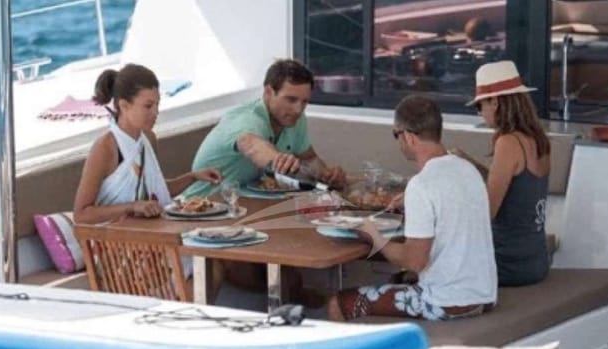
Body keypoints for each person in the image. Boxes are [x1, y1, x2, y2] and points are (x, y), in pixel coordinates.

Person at [327, 95, 497, 321]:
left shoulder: (421, 184)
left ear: (408, 136)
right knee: (396, 282)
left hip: (447, 302)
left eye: (396, 135)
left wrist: (374, 236)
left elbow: (414, 261)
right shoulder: (467, 170)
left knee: (339, 303)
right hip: (484, 296)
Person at [74, 63, 221, 224]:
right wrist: (131, 207)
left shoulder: (148, 138)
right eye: (148, 106)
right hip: (116, 236)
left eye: (157, 105)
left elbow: (155, 189)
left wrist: (193, 177)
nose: (155, 112)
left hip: (150, 230)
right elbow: (82, 214)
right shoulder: (106, 147)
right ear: (124, 105)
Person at [182, 59, 347, 198]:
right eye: (291, 100)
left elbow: (309, 159)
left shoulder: (295, 119)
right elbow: (250, 144)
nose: (298, 109)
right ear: (268, 92)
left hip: (246, 204)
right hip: (200, 207)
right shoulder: (247, 118)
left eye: (304, 102)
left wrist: (326, 175)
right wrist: (278, 159)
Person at [467, 60, 551, 286]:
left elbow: (486, 213)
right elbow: (516, 188)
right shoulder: (539, 140)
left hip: (506, 264)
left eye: (479, 106)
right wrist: (469, 165)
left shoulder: (508, 142)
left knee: (428, 265)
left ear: (494, 102)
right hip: (536, 261)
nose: (480, 113)